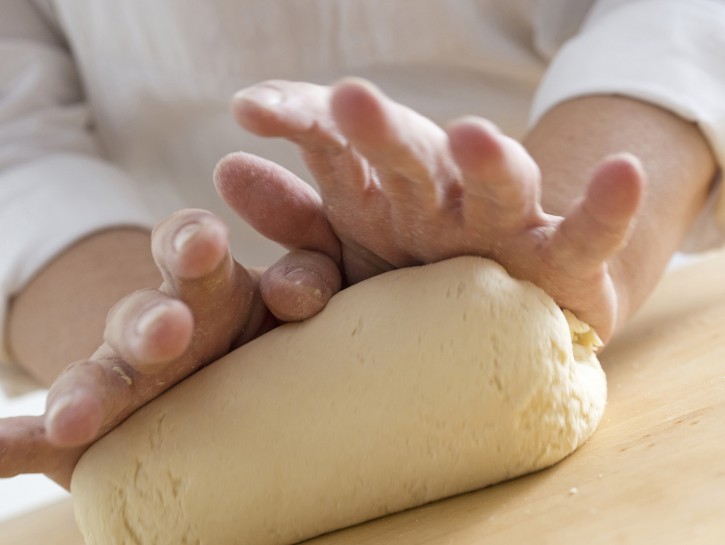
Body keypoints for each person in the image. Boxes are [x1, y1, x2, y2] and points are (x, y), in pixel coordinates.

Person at [1, 0, 724, 489]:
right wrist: (141, 338)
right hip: (193, 341)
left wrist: (558, 226)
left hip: (599, 287)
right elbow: (17, 143)